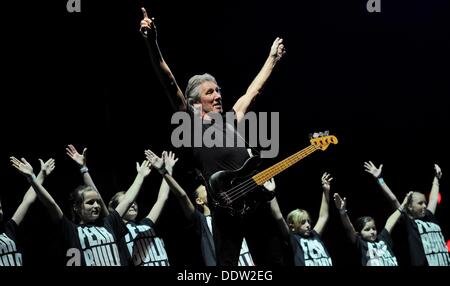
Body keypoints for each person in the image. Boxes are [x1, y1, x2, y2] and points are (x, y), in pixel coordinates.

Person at [139, 7, 286, 266]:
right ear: (196, 101)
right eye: (210, 93)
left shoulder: (231, 119)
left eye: (218, 90)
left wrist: (272, 59)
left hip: (254, 202)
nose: (218, 95)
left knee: (272, 261)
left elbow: (254, 91)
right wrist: (152, 43)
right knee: (227, 266)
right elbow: (170, 81)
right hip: (226, 208)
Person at [10, 155, 152, 266]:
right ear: (76, 207)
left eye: (97, 201)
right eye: (90, 202)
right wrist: (33, 179)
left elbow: (127, 200)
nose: (96, 205)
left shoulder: (109, 223)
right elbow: (51, 204)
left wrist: (140, 175)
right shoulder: (71, 230)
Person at [145, 148, 259, 266]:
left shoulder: (228, 212)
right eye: (204, 190)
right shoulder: (201, 221)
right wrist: (165, 171)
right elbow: (182, 196)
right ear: (199, 200)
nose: (208, 190)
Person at [364, 161, 450, 266]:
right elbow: (393, 199)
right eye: (420, 203)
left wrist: (436, 178)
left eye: (425, 203)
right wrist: (379, 179)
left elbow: (433, 199)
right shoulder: (409, 222)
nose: (424, 206)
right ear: (410, 206)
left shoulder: (429, 215)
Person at [108, 151, 178, 266]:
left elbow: (162, 198)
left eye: (135, 202)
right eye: (128, 201)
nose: (133, 204)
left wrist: (167, 170)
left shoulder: (146, 225)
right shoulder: (114, 229)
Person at [270, 173, 333, 266]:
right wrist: (271, 194)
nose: (308, 225)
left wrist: (326, 191)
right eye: (303, 222)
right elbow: (278, 216)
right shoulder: (293, 238)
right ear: (292, 226)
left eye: (308, 221)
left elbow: (323, 217)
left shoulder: (314, 235)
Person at [333, 191, 412, 266]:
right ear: (359, 233)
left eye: (373, 228)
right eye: (367, 229)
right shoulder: (360, 243)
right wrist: (342, 212)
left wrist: (403, 205)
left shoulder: (383, 238)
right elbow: (349, 228)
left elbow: (390, 221)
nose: (372, 231)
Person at [0, 158, 55, 266]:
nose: (0, 212)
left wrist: (37, 176)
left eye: (1, 208)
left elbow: (27, 201)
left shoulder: (8, 229)